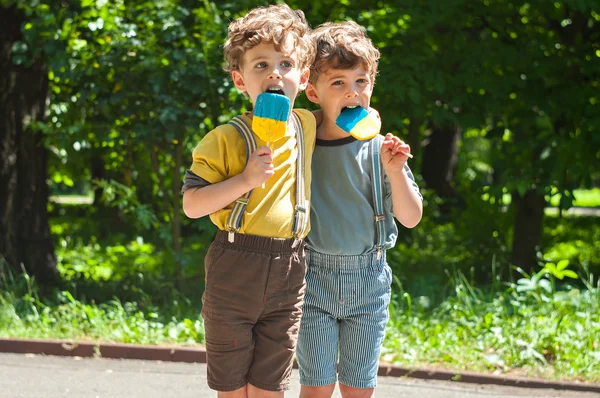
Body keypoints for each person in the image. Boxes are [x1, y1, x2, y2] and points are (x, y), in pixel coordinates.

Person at [181, 4, 316, 397]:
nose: (275, 73)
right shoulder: (226, 137)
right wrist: (245, 179)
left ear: (303, 77)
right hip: (234, 266)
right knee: (232, 387)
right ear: (241, 80)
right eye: (261, 65)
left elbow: (347, 110)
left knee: (270, 387)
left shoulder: (306, 125)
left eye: (286, 64)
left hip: (291, 267)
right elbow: (192, 205)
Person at [296, 21, 423, 398]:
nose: (353, 93)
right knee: (316, 387)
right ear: (312, 90)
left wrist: (395, 171)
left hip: (368, 280)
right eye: (338, 83)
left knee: (357, 389)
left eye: (361, 82)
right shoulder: (299, 143)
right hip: (312, 277)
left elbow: (411, 216)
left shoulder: (382, 149)